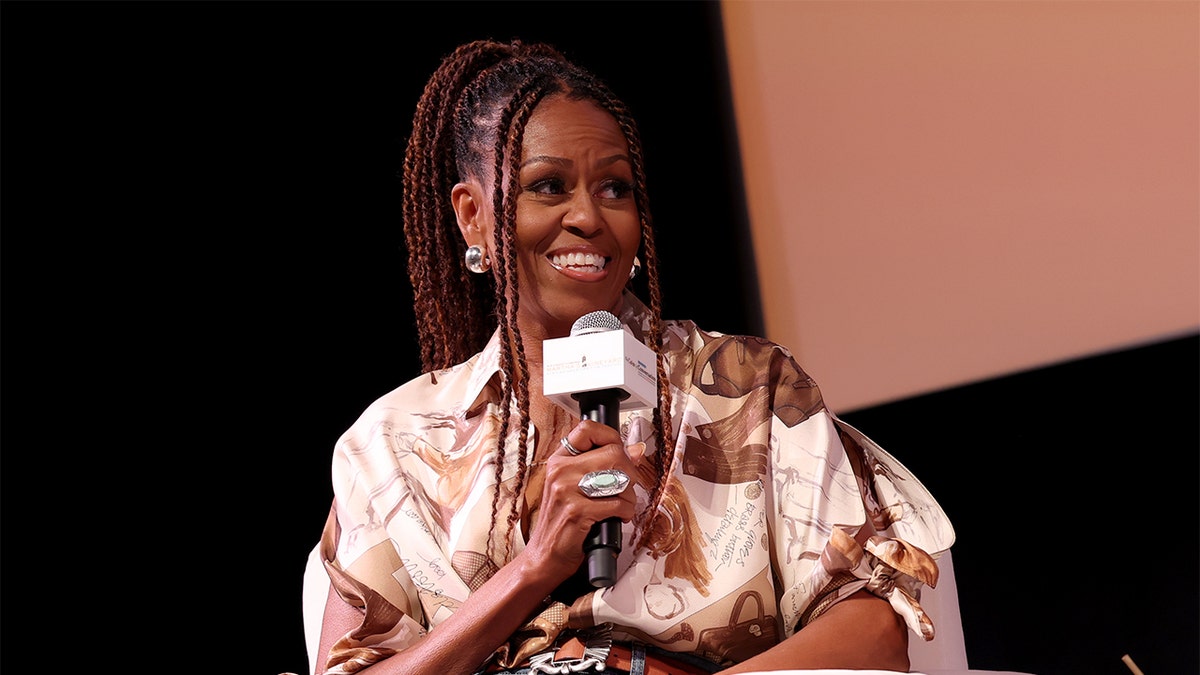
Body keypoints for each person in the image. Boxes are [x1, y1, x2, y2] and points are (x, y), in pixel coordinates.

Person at [301, 38, 955, 675]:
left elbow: (872, 629)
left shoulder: (747, 389)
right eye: (549, 186)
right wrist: (533, 571)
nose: (589, 216)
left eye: (614, 188)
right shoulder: (392, 443)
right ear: (473, 218)